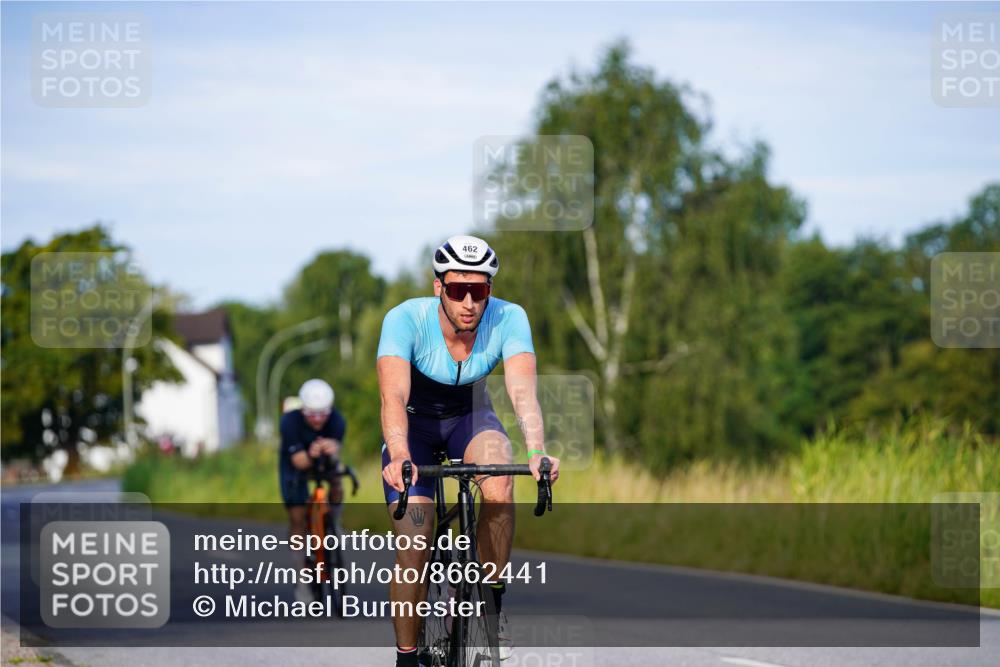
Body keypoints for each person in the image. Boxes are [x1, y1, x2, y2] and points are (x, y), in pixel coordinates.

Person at [377, 235, 561, 666]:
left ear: (489, 292)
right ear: (438, 286)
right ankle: (407, 657)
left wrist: (537, 450)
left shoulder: (509, 318)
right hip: (414, 424)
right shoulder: (405, 319)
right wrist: (400, 454)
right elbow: (392, 396)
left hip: (470, 417)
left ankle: (491, 605)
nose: (468, 302)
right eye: (457, 289)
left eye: (478, 291)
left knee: (499, 479)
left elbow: (522, 391)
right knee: (414, 544)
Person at [279, 378, 347, 602]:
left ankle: (334, 520)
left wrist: (332, 449)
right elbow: (299, 462)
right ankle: (302, 581)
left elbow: (336, 451)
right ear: (303, 410)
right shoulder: (289, 422)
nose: (318, 420)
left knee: (338, 477)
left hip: (322, 460)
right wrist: (312, 453)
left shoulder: (337, 420)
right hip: (295, 464)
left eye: (322, 414)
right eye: (312, 415)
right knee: (297, 518)